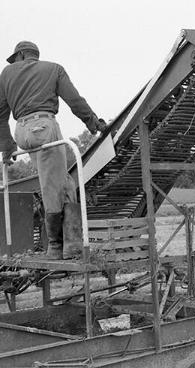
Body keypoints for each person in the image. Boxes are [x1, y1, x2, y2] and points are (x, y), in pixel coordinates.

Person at [0, 41, 107, 259]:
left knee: (65, 182)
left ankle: (71, 244)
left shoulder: (6, 74)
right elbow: (74, 100)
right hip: (44, 128)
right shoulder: (54, 69)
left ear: (20, 55)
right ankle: (56, 247)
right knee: (51, 187)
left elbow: (1, 114)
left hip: (22, 132)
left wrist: (8, 146)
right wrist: (92, 122)